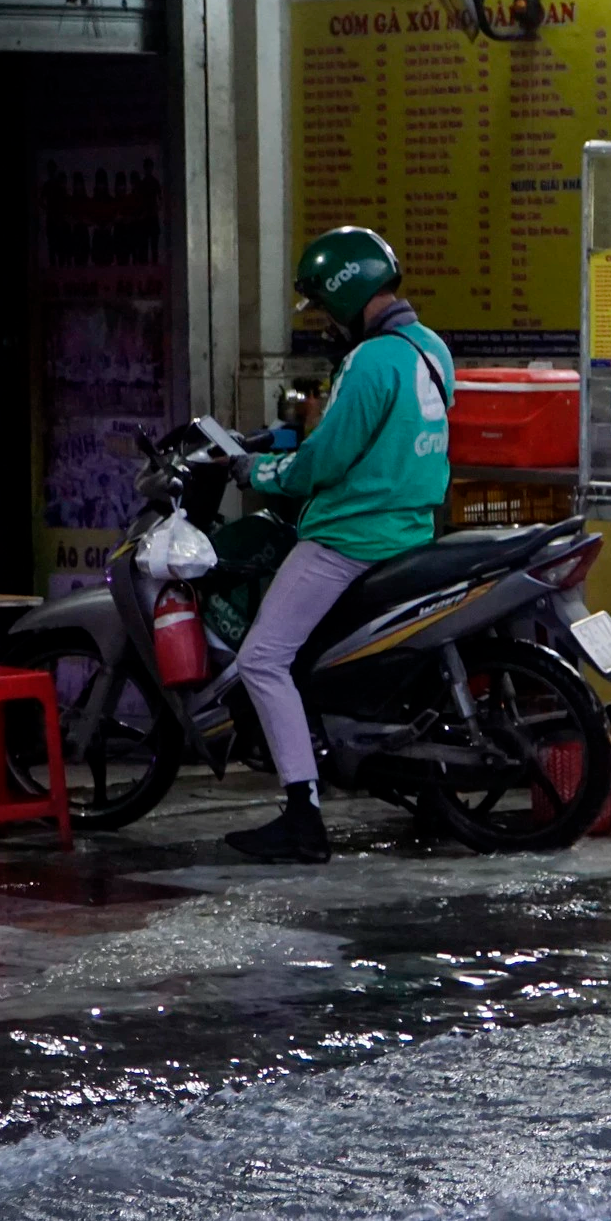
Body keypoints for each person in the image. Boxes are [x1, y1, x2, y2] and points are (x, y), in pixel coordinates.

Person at [225, 226, 454, 863]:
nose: (324, 322)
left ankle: (302, 812)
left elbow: (324, 460)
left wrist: (260, 472)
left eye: (325, 308)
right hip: (410, 531)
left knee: (262, 659)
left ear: (347, 294)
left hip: (347, 538)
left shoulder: (369, 361)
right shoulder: (431, 350)